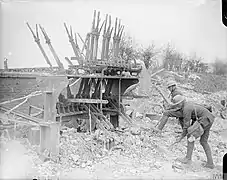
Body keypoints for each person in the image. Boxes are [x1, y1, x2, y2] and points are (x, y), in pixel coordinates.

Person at [172, 95, 215, 169]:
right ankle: (210, 163)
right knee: (203, 141)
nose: (177, 106)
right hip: (209, 119)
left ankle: (188, 159)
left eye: (177, 105)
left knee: (190, 136)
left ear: (181, 103)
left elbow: (186, 125)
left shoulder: (186, 109)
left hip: (204, 119)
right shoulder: (187, 104)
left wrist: (181, 137)